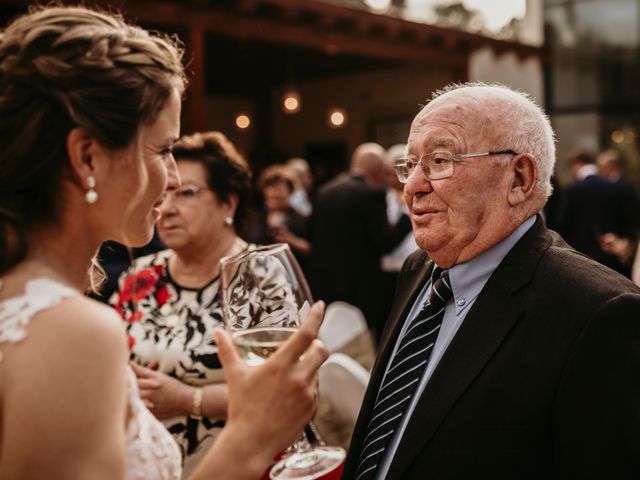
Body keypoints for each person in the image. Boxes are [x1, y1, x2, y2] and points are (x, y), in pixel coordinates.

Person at [0, 6, 327, 479]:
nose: (171, 178)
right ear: (87, 156)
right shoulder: (71, 333)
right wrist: (252, 436)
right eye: (162, 150)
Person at [343, 83, 640, 479]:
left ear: (518, 179)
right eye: (410, 164)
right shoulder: (420, 269)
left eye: (440, 160)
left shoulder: (600, 313)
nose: (411, 186)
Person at [109, 131, 254, 475]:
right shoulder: (141, 275)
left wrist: (190, 400)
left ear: (228, 203)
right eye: (163, 195)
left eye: (187, 193)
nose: (167, 209)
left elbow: (292, 391)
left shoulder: (260, 276)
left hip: (232, 463)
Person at [310, 142, 412, 343]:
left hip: (326, 282)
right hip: (361, 288)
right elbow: (385, 241)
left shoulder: (325, 191)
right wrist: (405, 218)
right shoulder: (371, 194)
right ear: (377, 170)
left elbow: (311, 234)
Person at [556, 148, 638, 276]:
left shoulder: (570, 190)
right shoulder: (617, 187)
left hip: (580, 259)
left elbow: (562, 224)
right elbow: (629, 222)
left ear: (576, 164)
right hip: (612, 260)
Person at [246, 164, 311, 268]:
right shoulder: (254, 219)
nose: (275, 193)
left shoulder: (302, 219)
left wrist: (292, 241)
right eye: (271, 187)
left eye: (280, 187)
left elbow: (313, 251)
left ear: (290, 191)